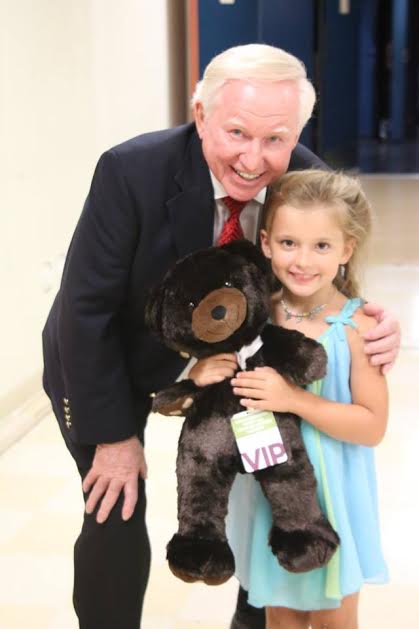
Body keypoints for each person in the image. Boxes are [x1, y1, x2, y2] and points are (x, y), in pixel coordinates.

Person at [41, 44, 399, 629]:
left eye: (275, 139)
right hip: (112, 352)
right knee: (116, 501)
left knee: (267, 490)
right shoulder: (131, 171)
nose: (254, 159)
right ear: (201, 113)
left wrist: (374, 321)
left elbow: (327, 272)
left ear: (298, 134)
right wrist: (114, 437)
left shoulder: (304, 176)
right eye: (236, 132)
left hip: (240, 374)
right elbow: (86, 309)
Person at [190, 168, 388, 628]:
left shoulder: (358, 329)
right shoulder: (249, 319)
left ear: (346, 249)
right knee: (280, 616)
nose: (302, 260)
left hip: (333, 496)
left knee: (335, 618)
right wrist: (202, 372)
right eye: (288, 243)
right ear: (264, 242)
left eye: (321, 245)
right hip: (268, 497)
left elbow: (372, 426)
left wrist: (294, 399)